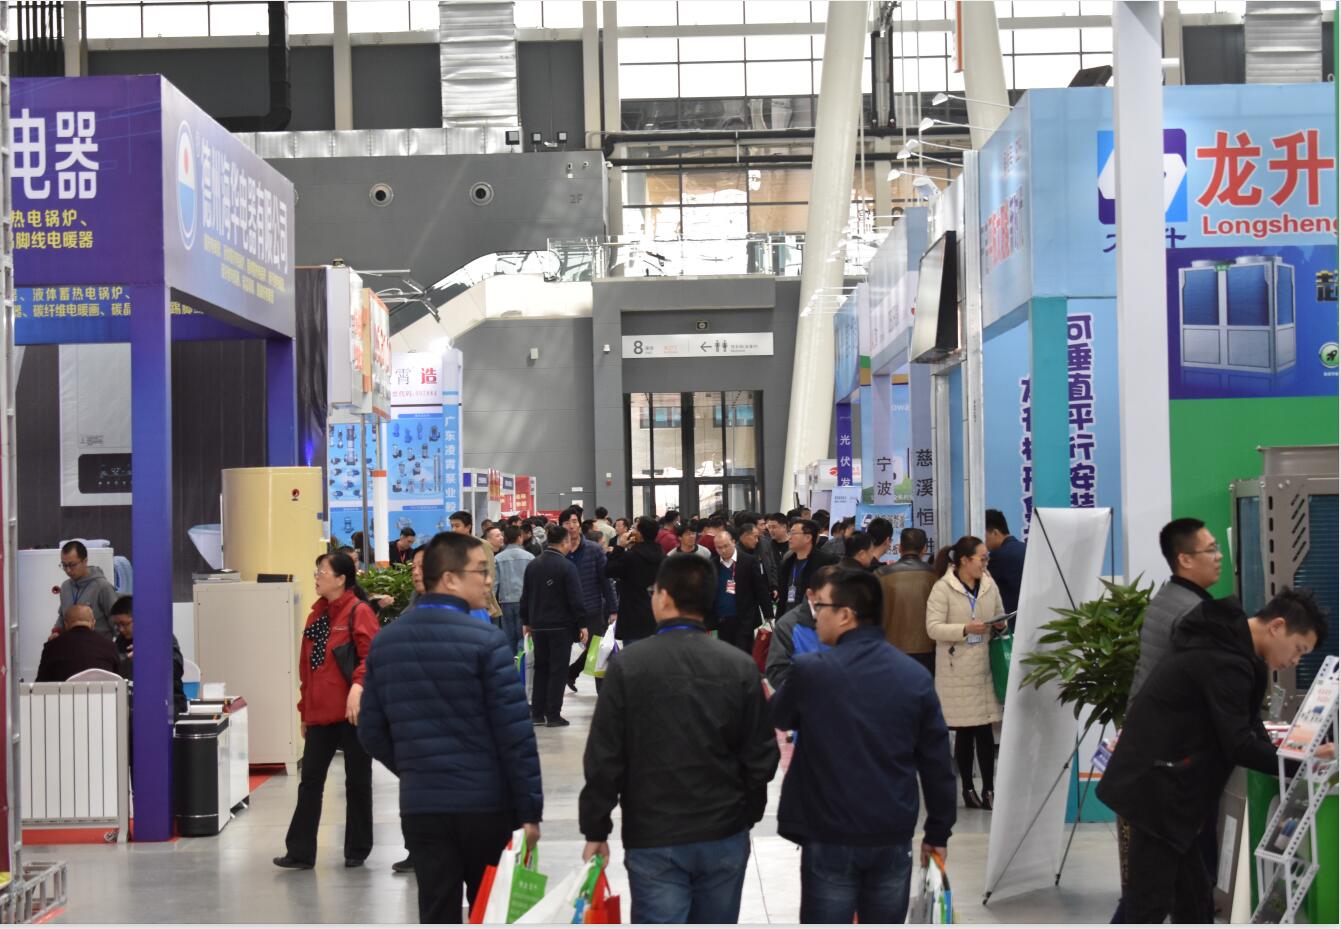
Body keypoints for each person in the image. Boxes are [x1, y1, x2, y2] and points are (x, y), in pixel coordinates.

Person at [1097, 589, 1330, 924]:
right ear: (1277, 626)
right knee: (1148, 905)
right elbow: (1239, 744)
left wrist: (1292, 755)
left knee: (1194, 901)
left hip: (1169, 790)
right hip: (1159, 791)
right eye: (1299, 649)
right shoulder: (1225, 659)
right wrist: (1303, 762)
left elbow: (1250, 726)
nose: (1295, 661)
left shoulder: (1233, 648)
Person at [578, 556, 780, 924]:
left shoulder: (629, 665)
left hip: (654, 833)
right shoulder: (739, 667)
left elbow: (605, 756)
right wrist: (745, 814)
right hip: (723, 831)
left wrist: (596, 827)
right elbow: (762, 756)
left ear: (665, 598)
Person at [359, 531, 544, 924]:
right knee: (488, 909)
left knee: (436, 908)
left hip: (422, 807)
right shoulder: (487, 641)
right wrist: (530, 810)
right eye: (480, 571)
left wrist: (415, 767)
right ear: (449, 578)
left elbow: (371, 731)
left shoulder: (387, 642)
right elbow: (515, 735)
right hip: (486, 806)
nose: (489, 580)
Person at [771, 569, 957, 924]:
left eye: (821, 606)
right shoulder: (914, 677)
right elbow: (937, 765)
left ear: (845, 615)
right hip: (891, 833)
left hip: (828, 833)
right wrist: (938, 832)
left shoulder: (811, 671)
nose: (816, 615)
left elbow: (780, 714)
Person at [274, 552, 381, 870]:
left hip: (353, 713)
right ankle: (300, 851)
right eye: (317, 571)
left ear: (341, 579)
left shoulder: (359, 611)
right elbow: (307, 669)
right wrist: (304, 712)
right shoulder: (316, 617)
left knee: (357, 781)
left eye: (323, 571)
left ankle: (357, 849)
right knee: (309, 781)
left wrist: (358, 688)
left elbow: (371, 658)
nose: (317, 576)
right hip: (320, 714)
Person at [926, 536, 1007, 810]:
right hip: (957, 669)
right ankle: (968, 789)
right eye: (981, 559)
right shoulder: (943, 588)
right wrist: (964, 629)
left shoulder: (989, 584)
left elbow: (1000, 613)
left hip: (984, 666)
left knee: (985, 729)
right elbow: (933, 628)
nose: (985, 563)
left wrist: (1001, 625)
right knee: (965, 729)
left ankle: (989, 789)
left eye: (986, 558)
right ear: (964, 560)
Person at [520, 525, 590, 727]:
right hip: (560, 626)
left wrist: (526, 621)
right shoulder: (567, 567)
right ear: (565, 542)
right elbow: (575, 598)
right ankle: (553, 715)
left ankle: (537, 713)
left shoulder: (533, 565)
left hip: (538, 625)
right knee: (558, 670)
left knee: (541, 668)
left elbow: (526, 596)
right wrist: (582, 623)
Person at [559, 507, 618, 693]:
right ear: (561, 526)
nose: (571, 526)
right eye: (567, 523)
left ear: (580, 524)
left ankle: (602, 693)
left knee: (597, 650)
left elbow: (606, 580)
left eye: (574, 522)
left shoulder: (594, 549)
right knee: (561, 653)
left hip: (591, 608)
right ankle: (564, 680)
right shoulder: (557, 550)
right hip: (564, 611)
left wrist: (613, 609)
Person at [765, 565, 843, 691]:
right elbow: (777, 672)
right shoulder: (788, 625)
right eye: (830, 600)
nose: (837, 607)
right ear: (811, 595)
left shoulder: (848, 618)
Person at [109, 596, 187, 717]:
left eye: (124, 624)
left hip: (167, 701)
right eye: (117, 625)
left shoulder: (162, 636)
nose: (121, 629)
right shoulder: (120, 641)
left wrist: (149, 657)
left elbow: (176, 669)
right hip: (131, 703)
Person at [877, 528, 938, 676]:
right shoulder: (935, 575)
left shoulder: (881, 574)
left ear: (900, 548)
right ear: (924, 549)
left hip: (890, 649)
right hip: (928, 650)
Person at [709, 527, 774, 653]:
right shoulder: (712, 565)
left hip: (744, 619)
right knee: (725, 654)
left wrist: (768, 613)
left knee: (743, 653)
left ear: (733, 542)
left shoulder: (748, 561)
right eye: (719, 548)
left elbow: (760, 588)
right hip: (722, 620)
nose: (723, 550)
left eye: (726, 546)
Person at [603, 516, 665, 645]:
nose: (631, 531)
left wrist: (619, 547)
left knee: (633, 656)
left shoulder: (631, 557)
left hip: (632, 617)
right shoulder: (663, 557)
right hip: (657, 615)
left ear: (639, 534)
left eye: (634, 528)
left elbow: (609, 571)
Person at [52, 541, 119, 639]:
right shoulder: (65, 587)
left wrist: (123, 644)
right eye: (64, 565)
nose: (68, 570)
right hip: (71, 645)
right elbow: (62, 616)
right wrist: (56, 632)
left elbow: (116, 621)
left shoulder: (102, 587)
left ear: (85, 561)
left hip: (98, 646)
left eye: (72, 565)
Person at [36, 605, 120, 682]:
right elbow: (118, 679)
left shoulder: (52, 646)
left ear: (66, 624)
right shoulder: (110, 646)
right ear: (93, 623)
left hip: (66, 693)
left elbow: (40, 685)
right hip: (104, 693)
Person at [778, 519, 839, 617]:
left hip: (813, 618)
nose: (789, 537)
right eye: (790, 533)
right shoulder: (788, 562)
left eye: (793, 533)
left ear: (808, 537)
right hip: (788, 617)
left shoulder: (826, 562)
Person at [449, 512, 503, 624]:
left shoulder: (481, 545)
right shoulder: (451, 547)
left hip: (483, 605)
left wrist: (483, 600)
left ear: (468, 527)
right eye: (452, 526)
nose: (453, 529)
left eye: (457, 526)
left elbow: (489, 574)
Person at [493, 525, 533, 657]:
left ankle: (510, 664)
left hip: (505, 602)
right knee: (524, 635)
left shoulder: (498, 558)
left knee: (509, 637)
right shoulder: (530, 557)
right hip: (525, 602)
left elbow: (494, 585)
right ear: (520, 538)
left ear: (505, 538)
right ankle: (521, 664)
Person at [983, 510, 1026, 617]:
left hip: (1010, 619)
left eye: (984, 536)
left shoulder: (997, 556)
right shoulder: (1026, 548)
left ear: (995, 533)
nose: (983, 542)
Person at [737, 521, 779, 598]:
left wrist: (774, 585)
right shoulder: (736, 554)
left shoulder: (764, 544)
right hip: (748, 595)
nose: (757, 540)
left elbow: (772, 566)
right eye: (755, 537)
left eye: (758, 537)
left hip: (767, 590)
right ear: (744, 536)